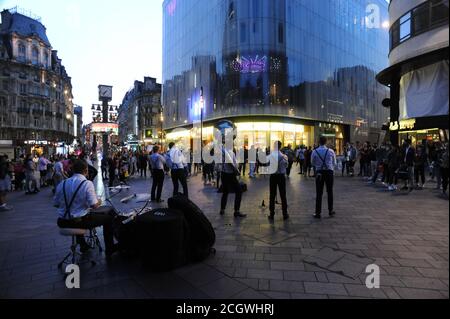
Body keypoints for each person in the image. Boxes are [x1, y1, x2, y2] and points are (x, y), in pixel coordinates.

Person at [54, 160, 119, 257]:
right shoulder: (86, 183)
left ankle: (83, 245)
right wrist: (99, 201)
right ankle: (110, 248)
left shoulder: (62, 184)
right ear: (86, 170)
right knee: (109, 218)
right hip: (79, 221)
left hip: (62, 221)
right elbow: (94, 205)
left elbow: (56, 204)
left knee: (78, 214)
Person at [311, 136, 336, 219]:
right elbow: (334, 163)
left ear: (319, 141)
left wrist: (319, 165)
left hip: (319, 173)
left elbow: (312, 163)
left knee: (319, 192)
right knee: (330, 191)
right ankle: (330, 211)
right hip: (329, 172)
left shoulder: (315, 151)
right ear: (326, 142)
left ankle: (318, 212)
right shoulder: (331, 151)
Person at [219, 143, 246, 218]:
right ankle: (236, 211)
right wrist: (236, 171)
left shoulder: (223, 152)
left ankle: (222, 209)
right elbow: (230, 163)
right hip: (230, 174)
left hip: (224, 174)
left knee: (225, 192)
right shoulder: (229, 152)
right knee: (239, 191)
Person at [268, 141, 289, 221]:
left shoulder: (270, 156)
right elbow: (286, 166)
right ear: (280, 147)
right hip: (281, 176)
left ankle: (271, 214)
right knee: (283, 195)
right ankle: (285, 213)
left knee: (272, 195)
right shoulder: (284, 156)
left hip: (273, 176)